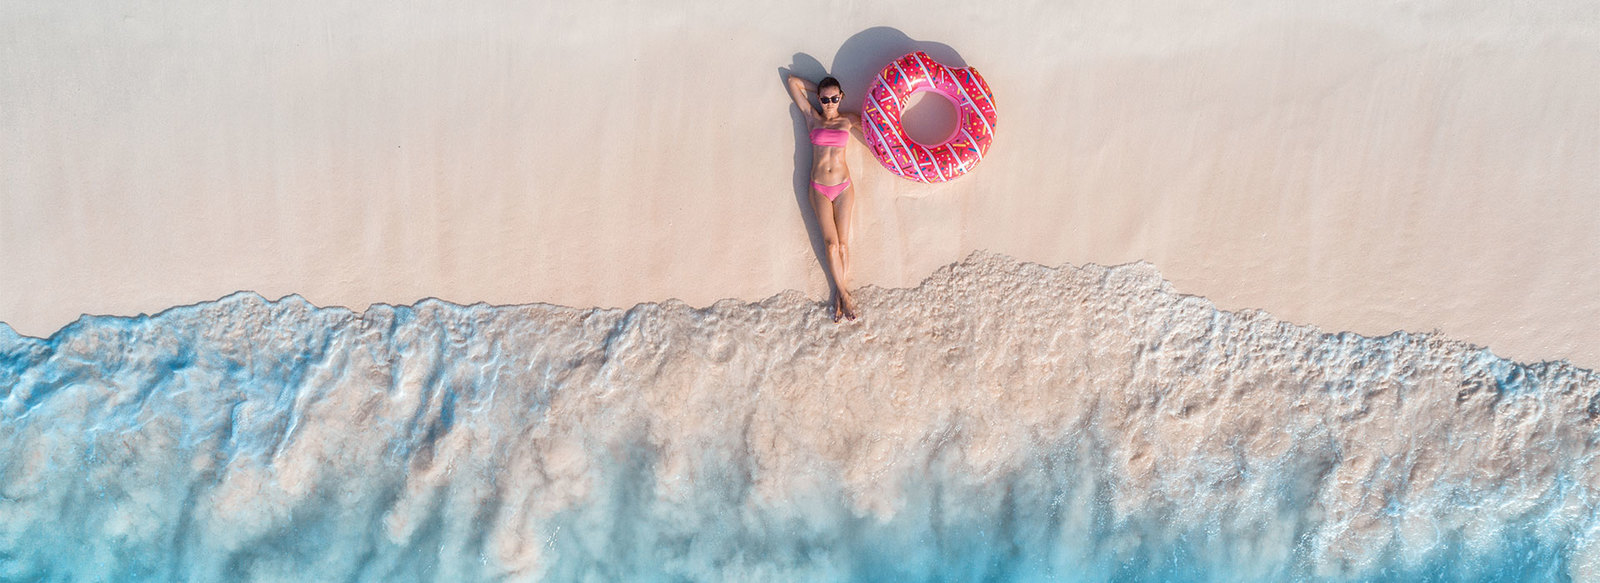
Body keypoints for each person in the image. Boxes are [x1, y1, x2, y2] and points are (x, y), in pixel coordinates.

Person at [786, 74, 861, 321]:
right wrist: (816, 87)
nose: (829, 103)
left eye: (834, 98)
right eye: (825, 98)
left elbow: (875, 131)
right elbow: (792, 82)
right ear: (819, 98)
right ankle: (844, 295)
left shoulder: (848, 120)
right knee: (831, 244)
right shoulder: (812, 118)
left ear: (842, 97)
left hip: (843, 187)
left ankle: (839, 296)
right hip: (819, 187)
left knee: (842, 244)